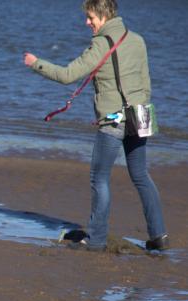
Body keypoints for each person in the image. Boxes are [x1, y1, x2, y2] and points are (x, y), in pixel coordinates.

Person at [23, 0, 168, 251]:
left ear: (103, 15)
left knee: (99, 179)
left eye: (90, 17)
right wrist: (136, 108)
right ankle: (159, 236)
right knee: (141, 175)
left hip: (113, 119)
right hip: (141, 115)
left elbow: (68, 75)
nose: (87, 22)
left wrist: (36, 63)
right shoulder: (138, 40)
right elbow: (146, 85)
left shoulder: (100, 43)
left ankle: (96, 239)